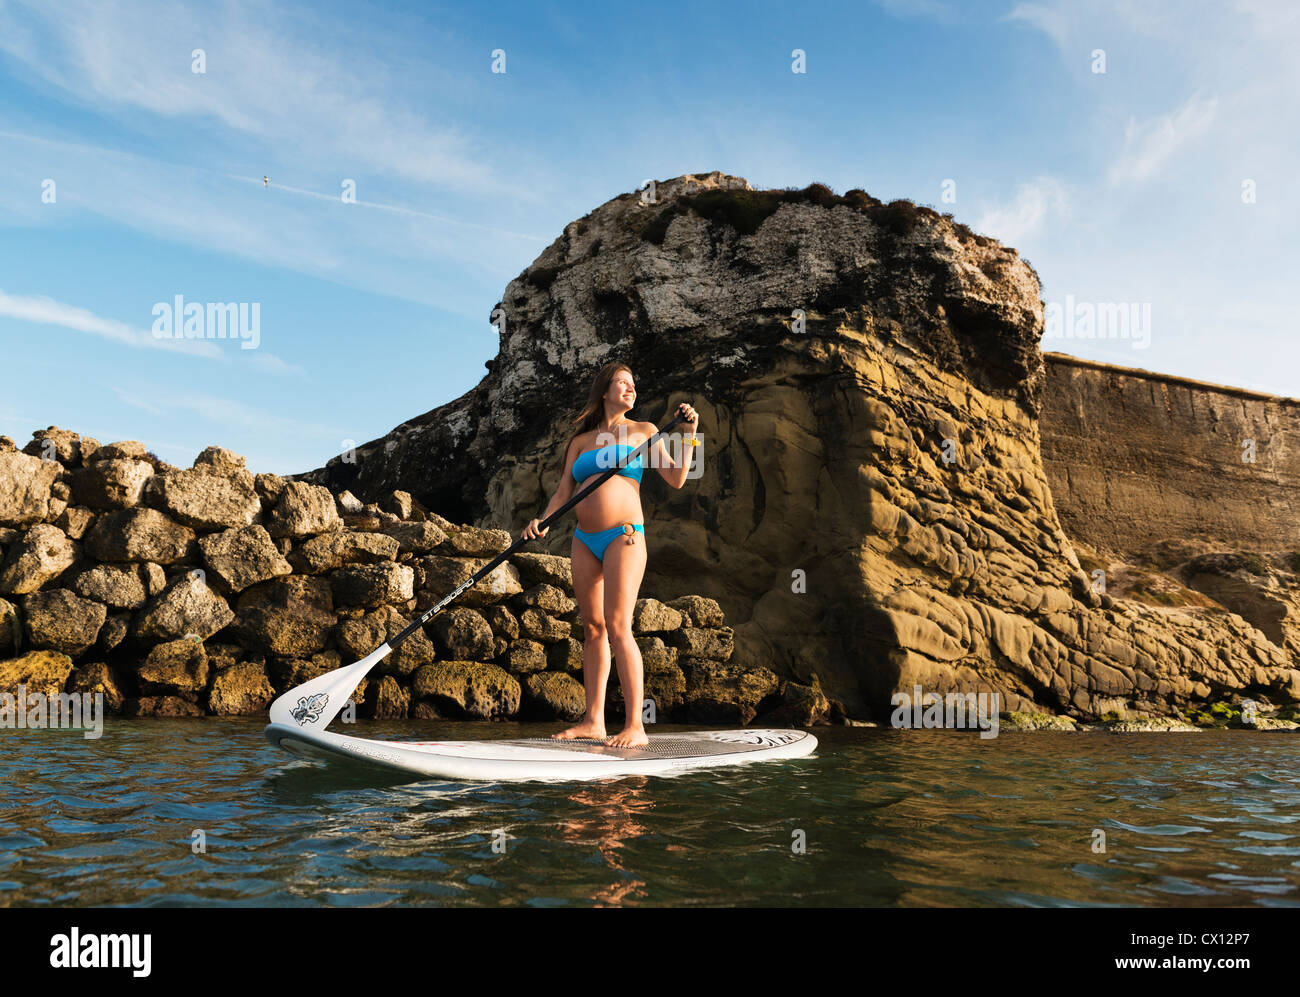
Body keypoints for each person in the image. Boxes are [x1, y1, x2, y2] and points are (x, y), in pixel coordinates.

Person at [521, 362, 699, 747]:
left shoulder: (645, 431)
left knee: (619, 627)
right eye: (622, 382)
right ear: (604, 391)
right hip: (584, 539)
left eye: (634, 384)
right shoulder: (581, 442)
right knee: (593, 629)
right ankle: (593, 721)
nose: (631, 389)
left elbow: (677, 478)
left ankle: (636, 726)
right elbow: (563, 494)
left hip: (625, 536)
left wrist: (689, 434)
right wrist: (543, 520)